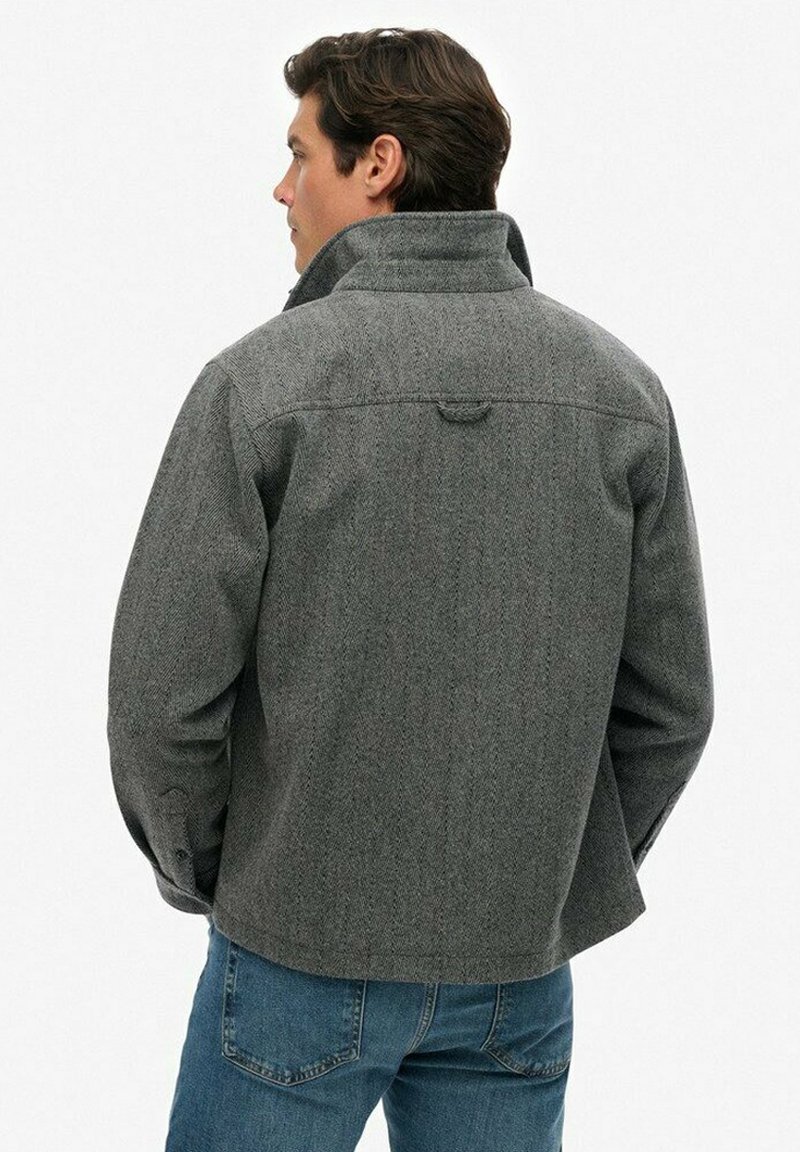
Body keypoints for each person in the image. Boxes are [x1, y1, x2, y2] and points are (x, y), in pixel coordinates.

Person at [106, 27, 714, 1152]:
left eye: (301, 154)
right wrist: (538, 873)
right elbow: (672, 709)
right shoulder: (621, 394)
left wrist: (230, 876)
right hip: (515, 974)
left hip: (292, 957)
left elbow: (159, 702)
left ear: (377, 163)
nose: (280, 187)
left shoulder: (256, 387)